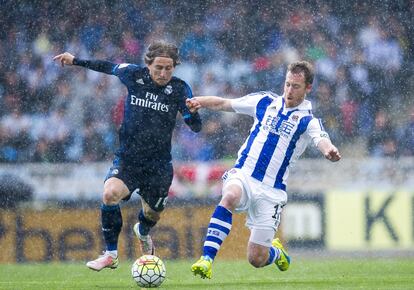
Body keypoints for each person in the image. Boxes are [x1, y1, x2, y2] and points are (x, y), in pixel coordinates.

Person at [53, 41, 202, 271]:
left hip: (159, 165)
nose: (163, 73)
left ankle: (142, 231)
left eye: (168, 68)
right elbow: (108, 66)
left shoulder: (180, 88)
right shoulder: (134, 74)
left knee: (152, 214)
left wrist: (193, 114)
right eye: (158, 68)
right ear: (148, 65)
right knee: (110, 194)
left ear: (174, 67)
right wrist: (75, 61)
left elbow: (196, 127)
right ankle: (111, 254)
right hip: (129, 159)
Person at [186, 61, 341, 279]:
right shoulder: (264, 101)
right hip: (244, 174)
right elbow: (225, 103)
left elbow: (321, 139)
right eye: (287, 84)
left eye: (296, 86)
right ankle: (206, 259)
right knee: (230, 196)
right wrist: (199, 101)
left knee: (256, 258)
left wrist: (329, 151)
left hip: (272, 190)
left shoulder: (308, 121)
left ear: (308, 88)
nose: (289, 90)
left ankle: (276, 253)